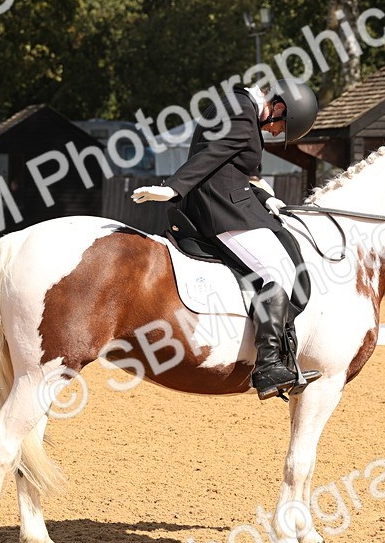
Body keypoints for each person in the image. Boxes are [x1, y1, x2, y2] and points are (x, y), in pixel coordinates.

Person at [130, 80, 321, 401]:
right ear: (279, 107)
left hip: (233, 200)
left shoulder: (241, 108)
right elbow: (213, 154)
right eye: (280, 127)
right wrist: (173, 187)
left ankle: (283, 358)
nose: (274, 134)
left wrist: (264, 197)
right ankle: (269, 365)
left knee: (284, 262)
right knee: (276, 272)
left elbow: (231, 166)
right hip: (222, 208)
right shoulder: (241, 111)